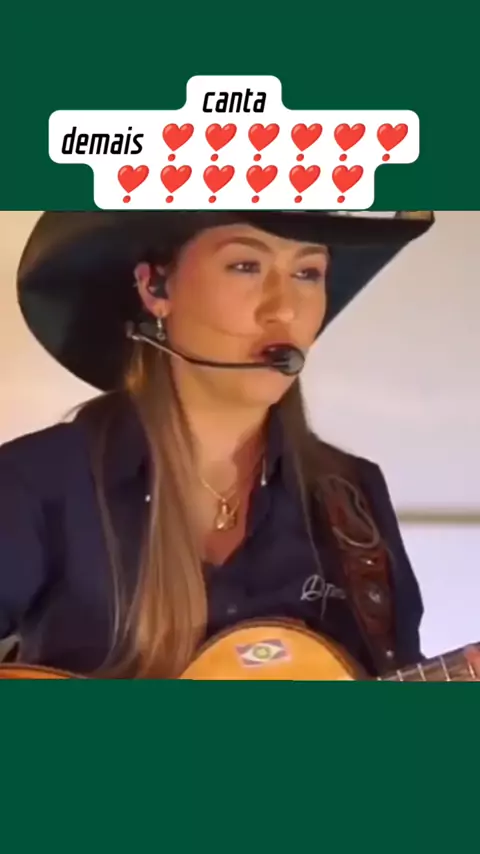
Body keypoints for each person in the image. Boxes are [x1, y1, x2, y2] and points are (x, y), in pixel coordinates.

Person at [0, 209, 477, 680]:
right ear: (154, 288)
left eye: (308, 273)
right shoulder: (38, 480)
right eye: (246, 266)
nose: (284, 308)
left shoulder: (354, 496)